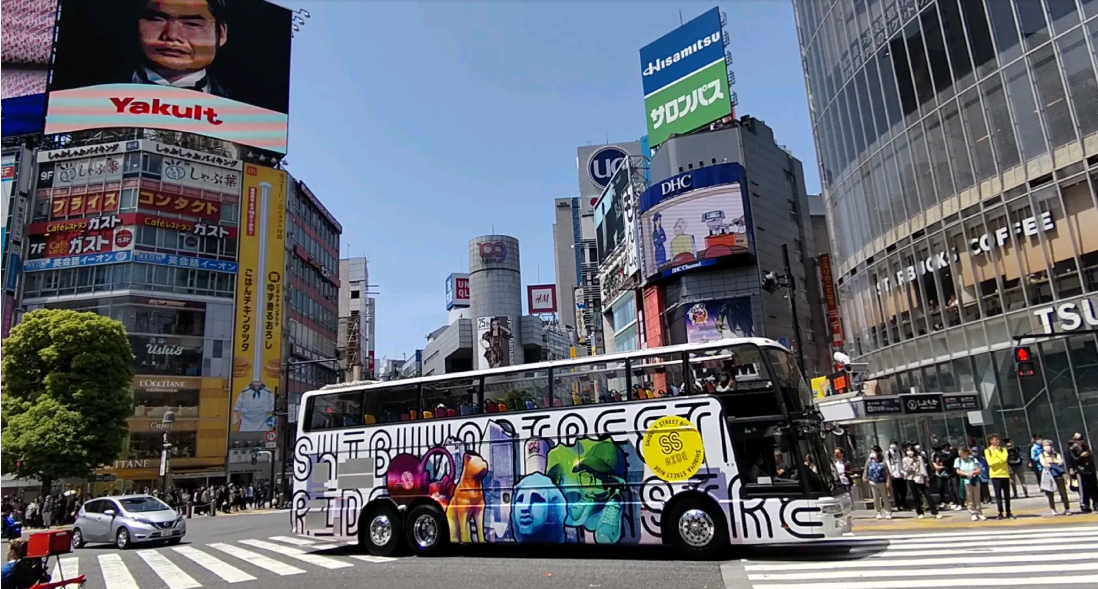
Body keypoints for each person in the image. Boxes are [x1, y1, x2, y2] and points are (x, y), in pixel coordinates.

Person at [126, 0, 233, 98]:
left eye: (192, 24)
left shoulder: (243, 109)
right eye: (157, 20)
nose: (172, 35)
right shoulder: (109, 88)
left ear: (221, 34)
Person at [902, 443, 941, 519]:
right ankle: (919, 512)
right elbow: (906, 470)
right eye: (908, 450)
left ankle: (934, 512)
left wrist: (926, 479)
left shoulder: (919, 458)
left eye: (911, 450)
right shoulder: (905, 459)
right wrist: (911, 464)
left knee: (928, 495)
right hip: (911, 478)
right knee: (915, 496)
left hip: (920, 478)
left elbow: (923, 468)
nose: (910, 452)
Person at [985, 434, 1014, 519]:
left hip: (1004, 474)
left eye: (998, 440)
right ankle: (1000, 512)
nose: (998, 441)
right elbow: (990, 463)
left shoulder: (1003, 449)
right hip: (995, 475)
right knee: (998, 495)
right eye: (995, 440)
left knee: (1007, 494)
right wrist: (999, 460)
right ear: (991, 441)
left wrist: (997, 454)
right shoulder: (988, 451)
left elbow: (1004, 459)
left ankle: (1008, 512)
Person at [1039, 440, 1071, 515]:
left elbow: (1060, 461)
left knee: (1063, 492)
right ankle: (1053, 509)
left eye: (1048, 445)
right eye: (1045, 445)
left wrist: (1053, 461)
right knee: (1050, 493)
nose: (1047, 447)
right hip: (1048, 475)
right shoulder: (1042, 455)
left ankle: (1067, 509)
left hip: (1058, 474)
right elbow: (1043, 463)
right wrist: (1052, 463)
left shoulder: (1056, 454)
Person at [954, 447, 985, 521]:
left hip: (974, 479)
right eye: (959, 454)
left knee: (977, 496)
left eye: (961, 453)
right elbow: (957, 471)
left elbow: (978, 470)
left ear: (966, 453)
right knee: (969, 497)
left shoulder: (973, 459)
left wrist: (973, 472)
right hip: (965, 480)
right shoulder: (958, 460)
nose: (960, 455)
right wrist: (966, 474)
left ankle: (979, 512)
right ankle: (973, 513)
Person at [1069, 433, 1097, 513]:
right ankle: (1084, 505)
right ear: (1075, 440)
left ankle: (1096, 503)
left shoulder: (1085, 447)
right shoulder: (1072, 449)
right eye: (1078, 440)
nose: (1080, 441)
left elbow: (1091, 457)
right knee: (1083, 489)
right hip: (1080, 470)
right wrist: (1081, 456)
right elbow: (1074, 460)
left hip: (1090, 469)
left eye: (1081, 439)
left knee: (1094, 487)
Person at [863, 445, 892, 519]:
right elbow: (866, 469)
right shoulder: (869, 461)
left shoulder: (883, 462)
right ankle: (878, 512)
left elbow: (887, 473)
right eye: (871, 451)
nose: (872, 453)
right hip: (873, 482)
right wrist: (865, 477)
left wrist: (888, 482)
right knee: (876, 498)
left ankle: (888, 512)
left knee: (884, 497)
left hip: (882, 482)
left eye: (874, 451)